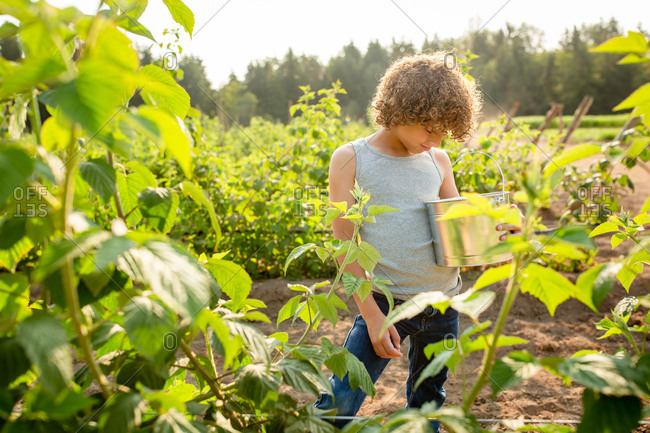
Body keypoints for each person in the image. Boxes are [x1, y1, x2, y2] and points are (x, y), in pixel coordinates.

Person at [313, 51, 523, 432]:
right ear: (398, 108)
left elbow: (456, 228)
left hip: (443, 302)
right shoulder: (350, 159)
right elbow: (343, 242)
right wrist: (374, 316)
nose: (435, 139)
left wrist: (501, 228)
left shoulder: (438, 161)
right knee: (343, 395)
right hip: (383, 302)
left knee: (430, 401)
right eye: (429, 127)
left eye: (445, 132)